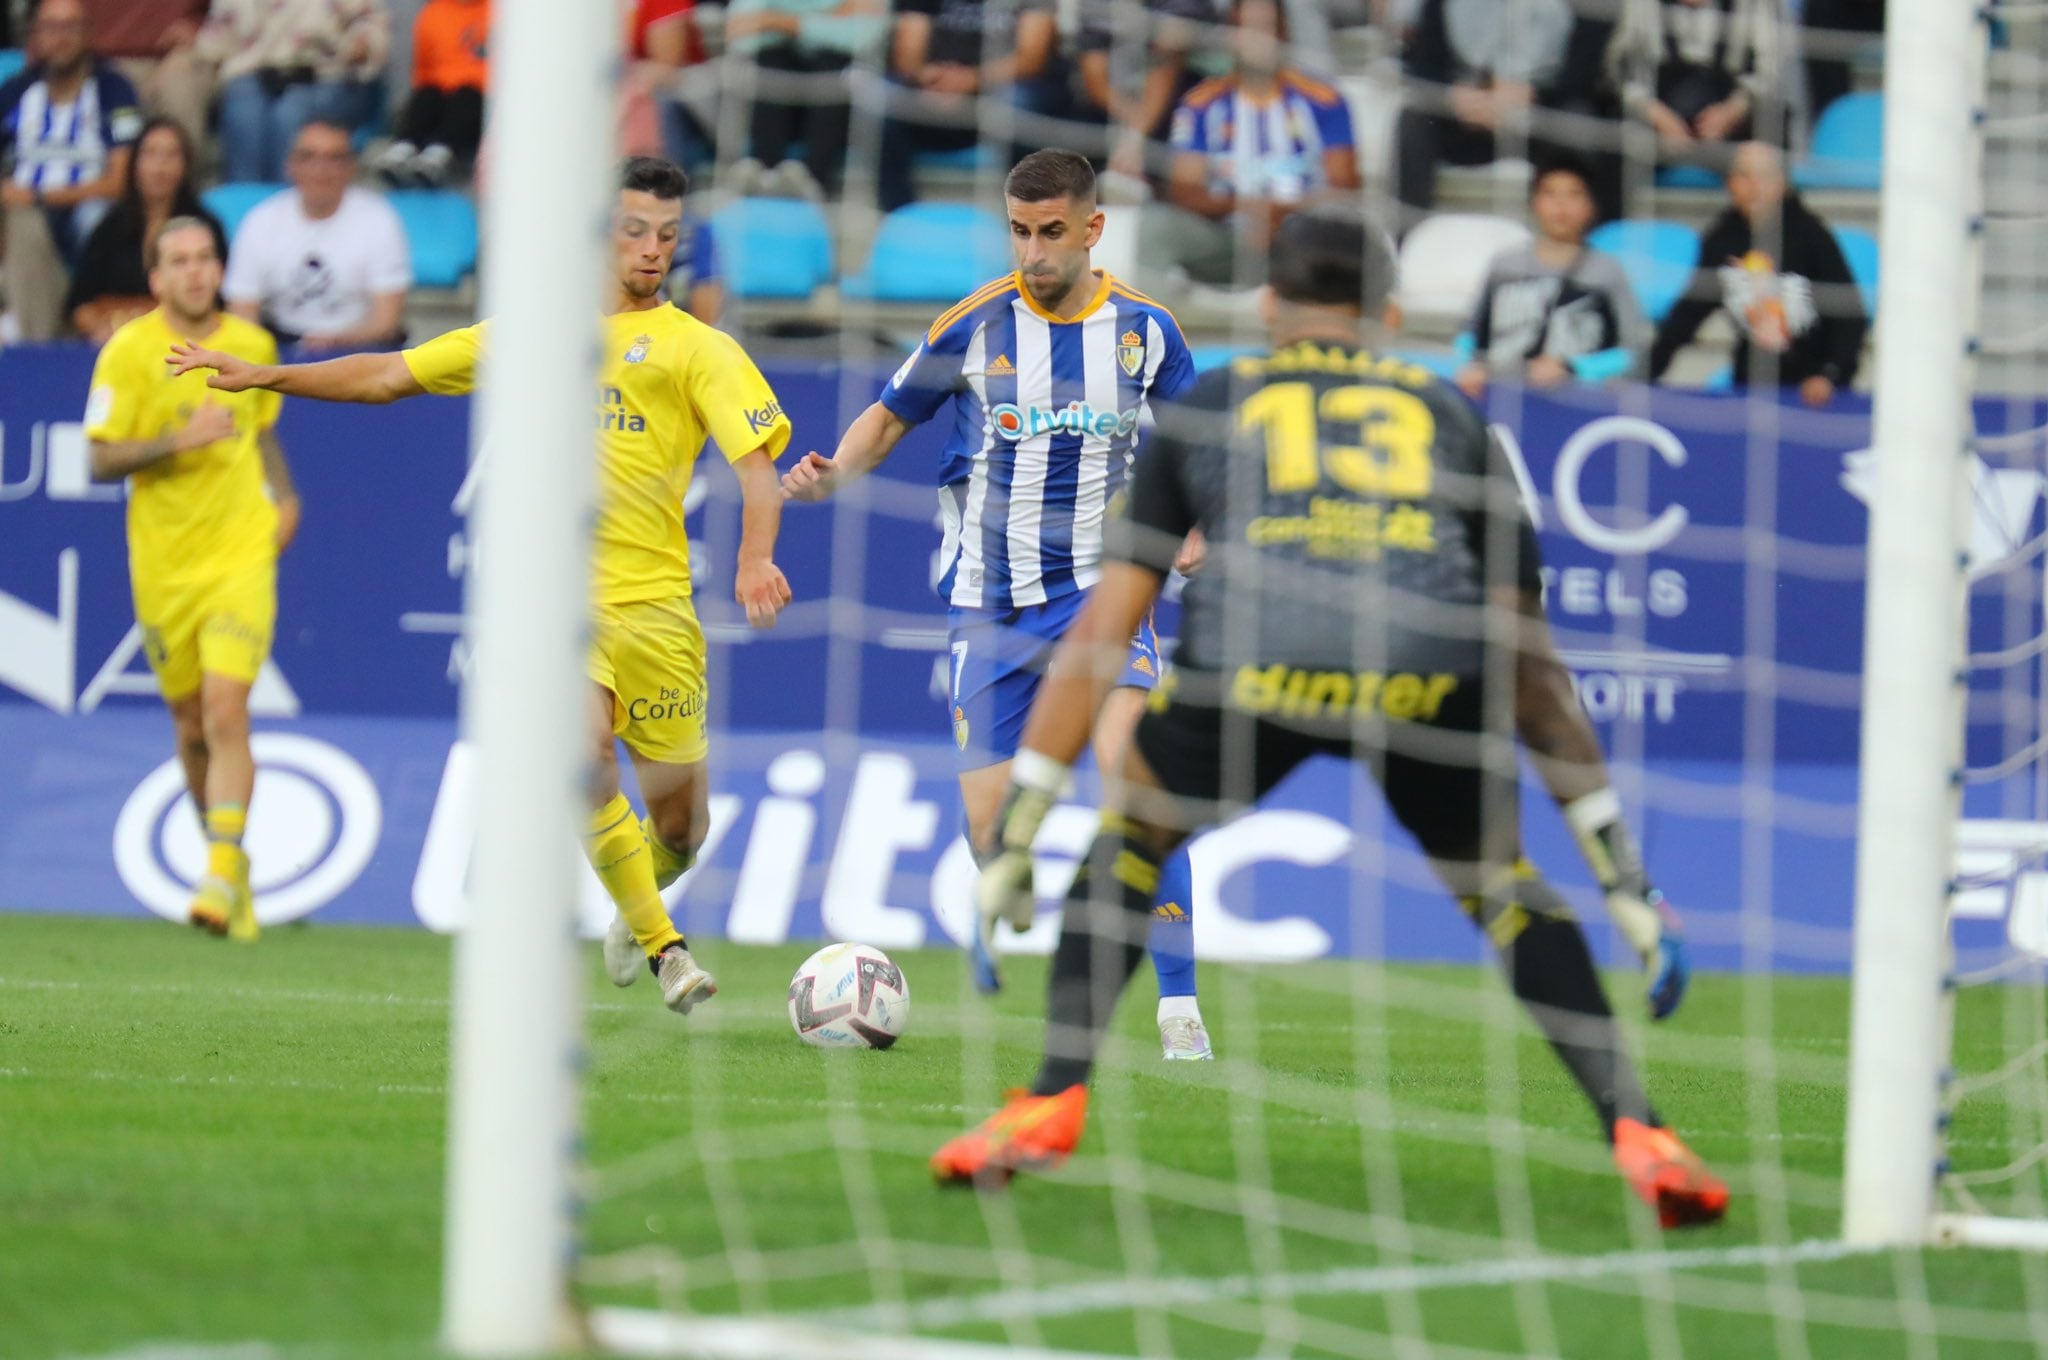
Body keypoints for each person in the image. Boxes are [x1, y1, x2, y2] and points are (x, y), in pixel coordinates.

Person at [933, 206, 1723, 1235]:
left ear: (1267, 307)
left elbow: (1103, 629)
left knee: (1132, 840)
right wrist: (1620, 869)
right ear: (1386, 314)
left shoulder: (1212, 404)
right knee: (1499, 884)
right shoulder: (1447, 413)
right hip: (1418, 667)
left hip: (1258, 662)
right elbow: (1529, 668)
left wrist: (1017, 829)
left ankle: (1048, 1097)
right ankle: (1639, 1130)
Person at [169, 157, 795, 1017]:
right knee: (581, 759)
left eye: (666, 236)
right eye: (633, 230)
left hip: (656, 610)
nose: (652, 250)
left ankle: (640, 900)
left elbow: (757, 472)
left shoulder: (699, 349)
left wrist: (755, 558)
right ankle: (666, 949)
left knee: (682, 826)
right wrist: (268, 374)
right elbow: (388, 375)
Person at [781, 149, 1214, 1059]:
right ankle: (1011, 904)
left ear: (1092, 230)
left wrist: (1201, 526)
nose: (1034, 251)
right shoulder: (974, 326)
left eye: (1052, 232)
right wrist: (834, 475)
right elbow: (892, 414)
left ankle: (1180, 1010)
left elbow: (1201, 443)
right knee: (990, 829)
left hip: (1105, 597)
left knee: (1136, 780)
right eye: (1020, 231)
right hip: (989, 604)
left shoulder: (1147, 330)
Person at [85, 216, 301, 943]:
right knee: (190, 728)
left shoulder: (251, 344)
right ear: (156, 277)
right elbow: (100, 460)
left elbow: (263, 430)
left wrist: (288, 496)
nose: (195, 271)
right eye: (178, 260)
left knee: (225, 709)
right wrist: (182, 438)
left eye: (206, 257)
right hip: (163, 565)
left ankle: (215, 868)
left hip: (240, 552)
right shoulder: (127, 353)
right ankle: (230, 865)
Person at [1135, 0, 1361, 305]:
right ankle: (1153, 340)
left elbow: (1344, 187)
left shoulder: (1324, 100)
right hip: (1229, 240)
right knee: (1156, 225)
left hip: (1307, 242)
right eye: (1246, 29)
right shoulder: (1201, 104)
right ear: (1231, 37)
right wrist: (1248, 208)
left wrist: (1281, 214)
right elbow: (1184, 189)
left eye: (1265, 28)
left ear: (1285, 34)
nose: (1256, 40)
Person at [1648, 141, 1865, 406]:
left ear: (1783, 184)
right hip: (1752, 383)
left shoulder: (1812, 236)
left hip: (1816, 386)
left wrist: (1829, 375)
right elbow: (1686, 315)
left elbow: (1849, 313)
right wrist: (1643, 375)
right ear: (1729, 183)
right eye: (1743, 176)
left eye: (1764, 177)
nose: (1754, 187)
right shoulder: (1722, 241)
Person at [1393, 0, 1617, 224]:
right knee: (1412, 120)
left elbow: (1586, 68)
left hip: (1542, 115)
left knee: (1578, 124)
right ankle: (1405, 242)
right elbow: (1424, 63)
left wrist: (1533, 94)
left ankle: (1578, 246)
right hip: (1470, 113)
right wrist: (1454, 96)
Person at [0, 0, 142, 340]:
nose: (60, 38)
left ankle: (87, 327)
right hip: (23, 215)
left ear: (87, 34)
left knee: (97, 218)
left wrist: (37, 196)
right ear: (35, 36)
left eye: (71, 27)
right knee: (20, 221)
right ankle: (42, 343)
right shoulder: (16, 91)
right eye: (51, 28)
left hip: (89, 209)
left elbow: (121, 182)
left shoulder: (114, 89)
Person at [1455, 154, 1648, 400]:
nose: (1561, 205)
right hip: (1502, 394)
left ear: (1591, 207)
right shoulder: (1504, 265)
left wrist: (1573, 369)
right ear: (1534, 203)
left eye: (1574, 194)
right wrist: (1470, 366)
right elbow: (1470, 334)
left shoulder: (1607, 271)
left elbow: (1632, 350)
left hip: (1575, 400)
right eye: (1550, 193)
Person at [222, 120, 411, 354]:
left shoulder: (380, 220)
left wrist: (335, 342)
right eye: (308, 157)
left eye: (334, 158)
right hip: (282, 345)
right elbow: (242, 314)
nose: (321, 169)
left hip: (362, 348)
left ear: (351, 167)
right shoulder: (260, 220)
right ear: (290, 165)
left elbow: (386, 321)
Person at [873, 0, 1059, 212]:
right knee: (879, 97)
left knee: (1020, 102)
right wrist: (932, 78)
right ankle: (900, 216)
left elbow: (1032, 58)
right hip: (933, 94)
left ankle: (1026, 219)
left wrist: (972, 79)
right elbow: (908, 56)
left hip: (999, 94)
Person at [67, 115, 229, 345]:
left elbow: (219, 302)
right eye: (150, 154)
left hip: (191, 346)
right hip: (117, 344)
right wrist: (103, 327)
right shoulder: (110, 227)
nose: (160, 166)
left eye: (171, 155)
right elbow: (80, 305)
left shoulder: (205, 227)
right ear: (135, 163)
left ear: (186, 165)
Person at [200, 0, 389, 184]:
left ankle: (291, 207)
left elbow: (369, 21)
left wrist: (363, 43)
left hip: (325, 75)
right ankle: (244, 205)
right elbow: (215, 39)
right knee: (244, 114)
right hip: (253, 72)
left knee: (288, 114)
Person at [721, 0, 887, 201]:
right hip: (776, 102)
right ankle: (763, 182)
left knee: (832, 65)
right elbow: (740, 35)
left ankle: (812, 186)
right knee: (772, 61)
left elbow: (862, 37)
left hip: (841, 109)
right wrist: (830, 15)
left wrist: (776, 20)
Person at [1606, 0, 1786, 171]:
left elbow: (1768, 68)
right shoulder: (1641, 5)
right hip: (1657, 110)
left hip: (1729, 108)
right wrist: (1656, 114)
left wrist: (1733, 111)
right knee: (1614, 134)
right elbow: (1619, 67)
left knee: (1773, 124)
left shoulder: (1752, 5)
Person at [369, 0, 490, 189]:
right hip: (440, 87)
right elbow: (424, 65)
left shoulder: (499, 12)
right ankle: (403, 148)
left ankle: (440, 153)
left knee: (466, 98)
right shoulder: (434, 12)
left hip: (480, 91)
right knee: (427, 95)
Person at [81, 0, 212, 157]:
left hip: (178, 53)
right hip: (102, 54)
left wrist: (203, 28)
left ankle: (179, 177)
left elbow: (234, 11)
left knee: (180, 86)